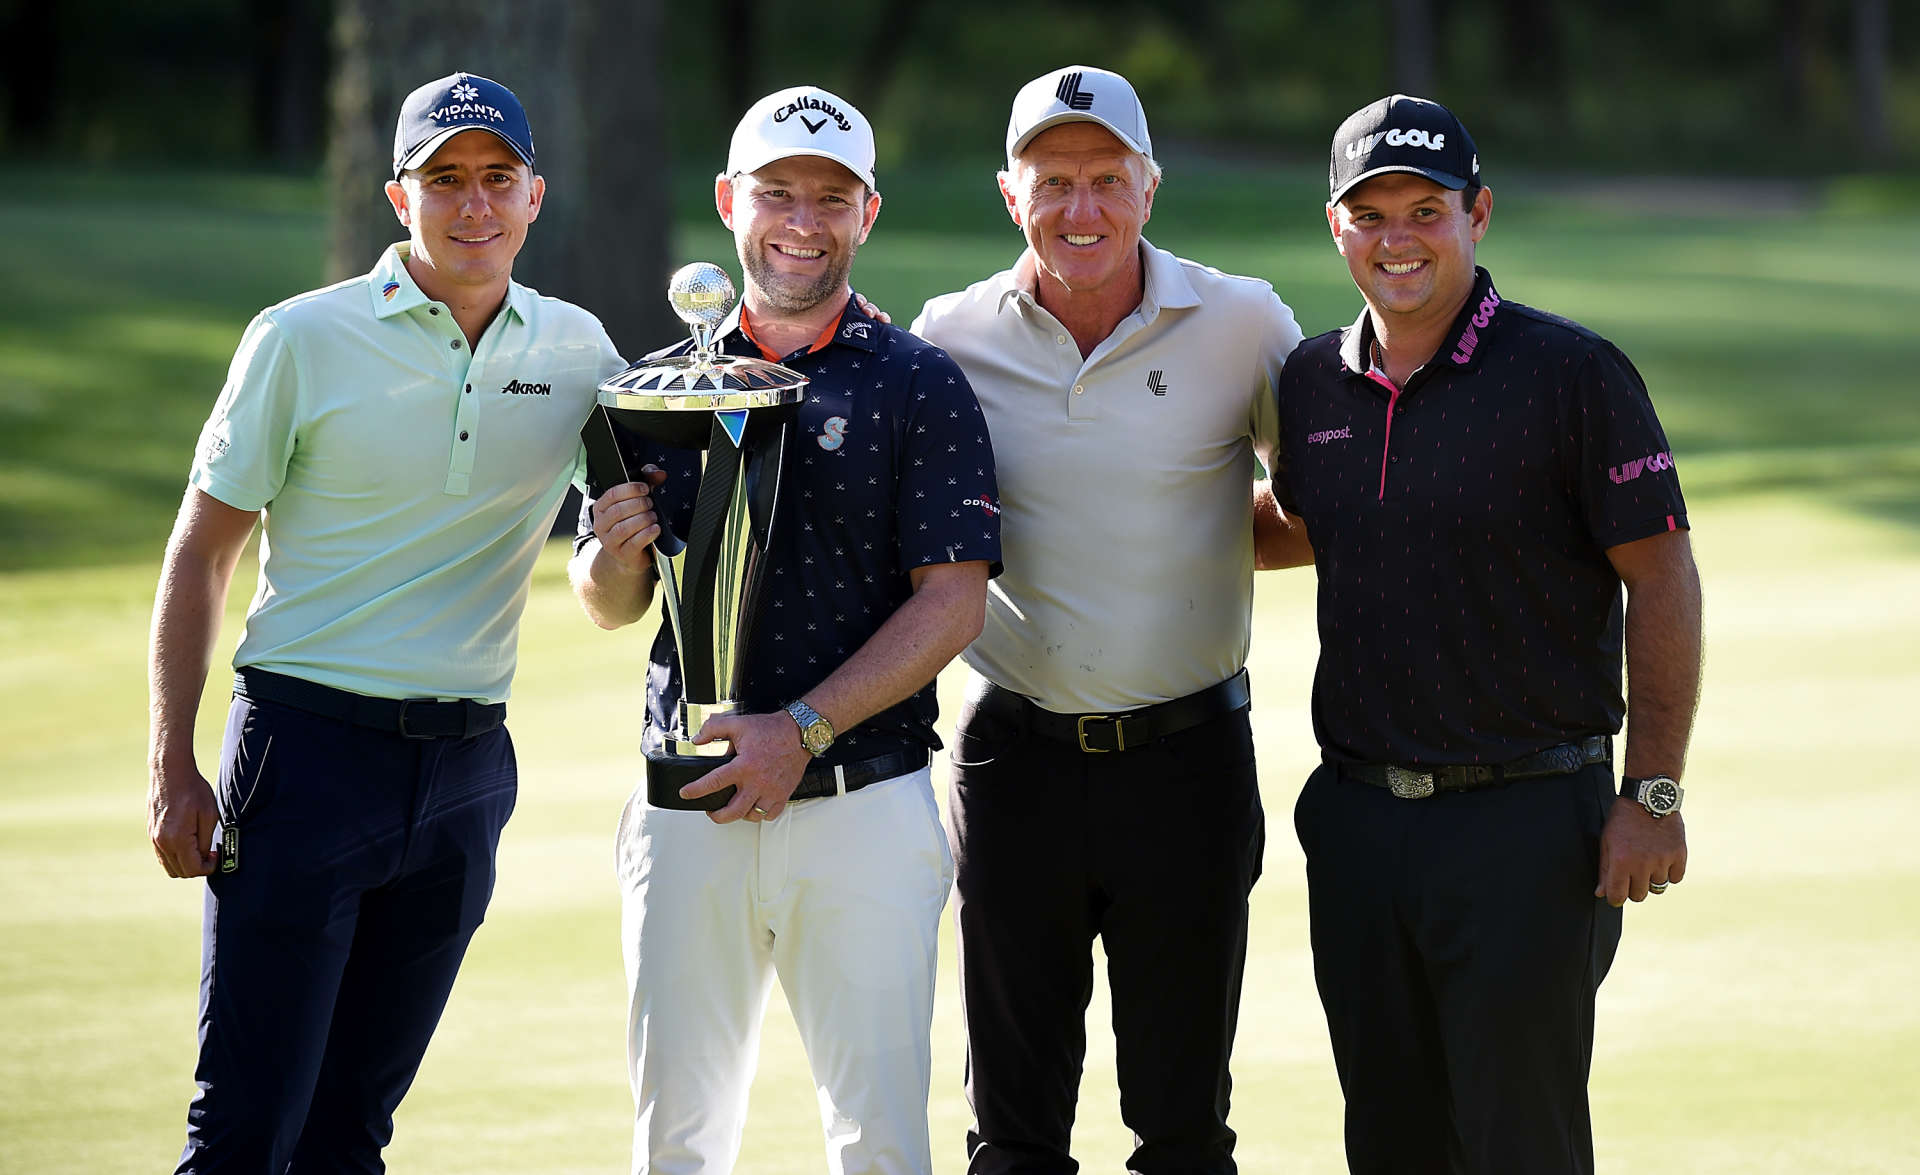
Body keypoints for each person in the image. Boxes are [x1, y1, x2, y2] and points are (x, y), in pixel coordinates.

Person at [145, 72, 626, 1171]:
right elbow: (202, 550)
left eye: (497, 179)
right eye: (444, 180)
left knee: (351, 1133)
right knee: (243, 1129)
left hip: (465, 772)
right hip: (303, 757)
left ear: (535, 196)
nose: (474, 206)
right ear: (396, 195)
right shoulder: (299, 338)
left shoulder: (579, 352)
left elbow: (617, 572)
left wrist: (632, 548)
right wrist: (173, 763)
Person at [569, 85, 1000, 1175]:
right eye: (776, 193)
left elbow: (954, 600)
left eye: (830, 195)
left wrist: (799, 726)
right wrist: (615, 555)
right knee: (676, 1138)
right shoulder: (658, 384)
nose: (801, 219)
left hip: (864, 800)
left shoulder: (919, 382)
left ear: (868, 213)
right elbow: (610, 602)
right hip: (689, 798)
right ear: (728, 201)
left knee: (881, 1144)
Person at [1272, 94, 1703, 1174]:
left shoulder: (1571, 375)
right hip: (1361, 823)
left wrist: (1652, 793)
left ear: (1479, 214)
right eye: (1372, 215)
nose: (1398, 238)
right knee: (1388, 1139)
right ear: (1337, 225)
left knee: (1521, 1144)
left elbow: (1663, 577)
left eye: (1427, 210)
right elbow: (1309, 526)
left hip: (1526, 824)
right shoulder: (1313, 380)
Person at [910, 65, 1307, 1174]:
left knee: (1183, 1128)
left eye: (1105, 180)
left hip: (1187, 759)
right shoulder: (948, 335)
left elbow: (1328, 502)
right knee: (1013, 1129)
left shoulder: (1240, 320)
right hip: (1014, 757)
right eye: (1052, 181)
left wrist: (1215, 532)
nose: (1079, 209)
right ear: (1008, 192)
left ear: (1149, 187)